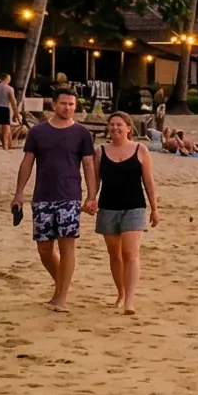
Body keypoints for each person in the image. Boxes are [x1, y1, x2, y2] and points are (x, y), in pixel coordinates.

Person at [11, 91, 98, 311]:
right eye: (63, 103)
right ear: (53, 104)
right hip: (42, 197)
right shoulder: (38, 132)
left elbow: (89, 166)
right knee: (44, 250)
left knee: (67, 246)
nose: (67, 108)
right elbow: (27, 163)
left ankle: (61, 297)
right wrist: (19, 193)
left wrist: (91, 196)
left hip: (69, 197)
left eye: (71, 104)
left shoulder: (82, 133)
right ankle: (61, 285)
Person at [87, 112, 158, 314]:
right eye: (112, 125)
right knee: (115, 254)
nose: (115, 128)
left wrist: (155, 209)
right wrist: (91, 199)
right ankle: (121, 293)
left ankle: (130, 301)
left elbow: (149, 182)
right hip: (108, 207)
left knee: (130, 253)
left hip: (134, 207)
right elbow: (95, 180)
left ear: (128, 128)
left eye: (120, 125)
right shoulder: (100, 152)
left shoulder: (140, 150)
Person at [0, 75, 18, 148]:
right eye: (9, 79)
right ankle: (5, 145)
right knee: (6, 128)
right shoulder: (10, 88)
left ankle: (9, 144)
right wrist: (16, 113)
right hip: (4, 108)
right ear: (6, 79)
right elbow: (13, 102)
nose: (9, 81)